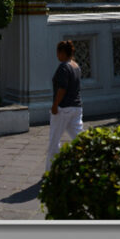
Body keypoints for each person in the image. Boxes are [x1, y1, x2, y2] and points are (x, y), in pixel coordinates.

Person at [46, 39, 84, 172]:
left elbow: (62, 89)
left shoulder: (64, 67)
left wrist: (55, 105)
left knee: (54, 141)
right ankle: (87, 164)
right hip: (76, 107)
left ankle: (51, 171)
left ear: (62, 52)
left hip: (64, 108)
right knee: (80, 139)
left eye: (58, 52)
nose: (57, 55)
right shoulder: (76, 66)